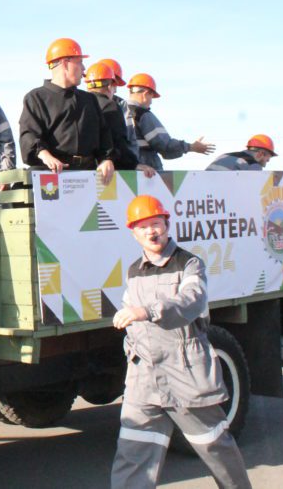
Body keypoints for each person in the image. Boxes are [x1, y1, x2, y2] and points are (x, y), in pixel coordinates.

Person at [111, 195, 251, 489]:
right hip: (144, 378)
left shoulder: (189, 263)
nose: (152, 232)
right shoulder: (134, 270)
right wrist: (131, 345)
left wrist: (146, 312)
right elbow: (131, 315)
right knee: (133, 454)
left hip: (184, 372)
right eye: (144, 227)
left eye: (156, 224)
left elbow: (191, 301)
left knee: (215, 448)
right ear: (133, 233)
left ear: (167, 224)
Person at [19, 38, 115, 184]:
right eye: (80, 62)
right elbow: (29, 135)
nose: (84, 70)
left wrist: (106, 159)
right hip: (53, 178)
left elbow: (104, 135)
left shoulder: (89, 100)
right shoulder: (36, 98)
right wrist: (45, 155)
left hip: (88, 176)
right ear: (65, 63)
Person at [125, 73, 215, 171]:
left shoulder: (118, 111)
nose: (151, 102)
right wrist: (191, 147)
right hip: (146, 174)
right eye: (152, 97)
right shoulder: (143, 115)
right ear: (146, 94)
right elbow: (165, 146)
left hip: (121, 173)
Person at [84, 62, 156, 177]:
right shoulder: (110, 106)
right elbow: (118, 142)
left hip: (80, 171)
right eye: (115, 86)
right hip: (108, 173)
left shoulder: (79, 104)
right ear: (109, 86)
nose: (115, 91)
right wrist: (134, 164)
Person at [206, 135, 276, 171]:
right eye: (268, 157)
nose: (268, 160)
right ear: (261, 154)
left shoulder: (223, 156)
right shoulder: (253, 164)